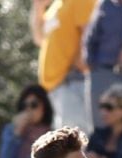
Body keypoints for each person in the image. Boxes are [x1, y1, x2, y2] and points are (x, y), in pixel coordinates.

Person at [30, 0, 96, 130]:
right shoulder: (57, 5)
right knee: (65, 142)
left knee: (74, 140)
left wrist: (76, 68)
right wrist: (38, 8)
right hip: (57, 88)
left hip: (72, 82)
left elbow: (89, 36)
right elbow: (39, 38)